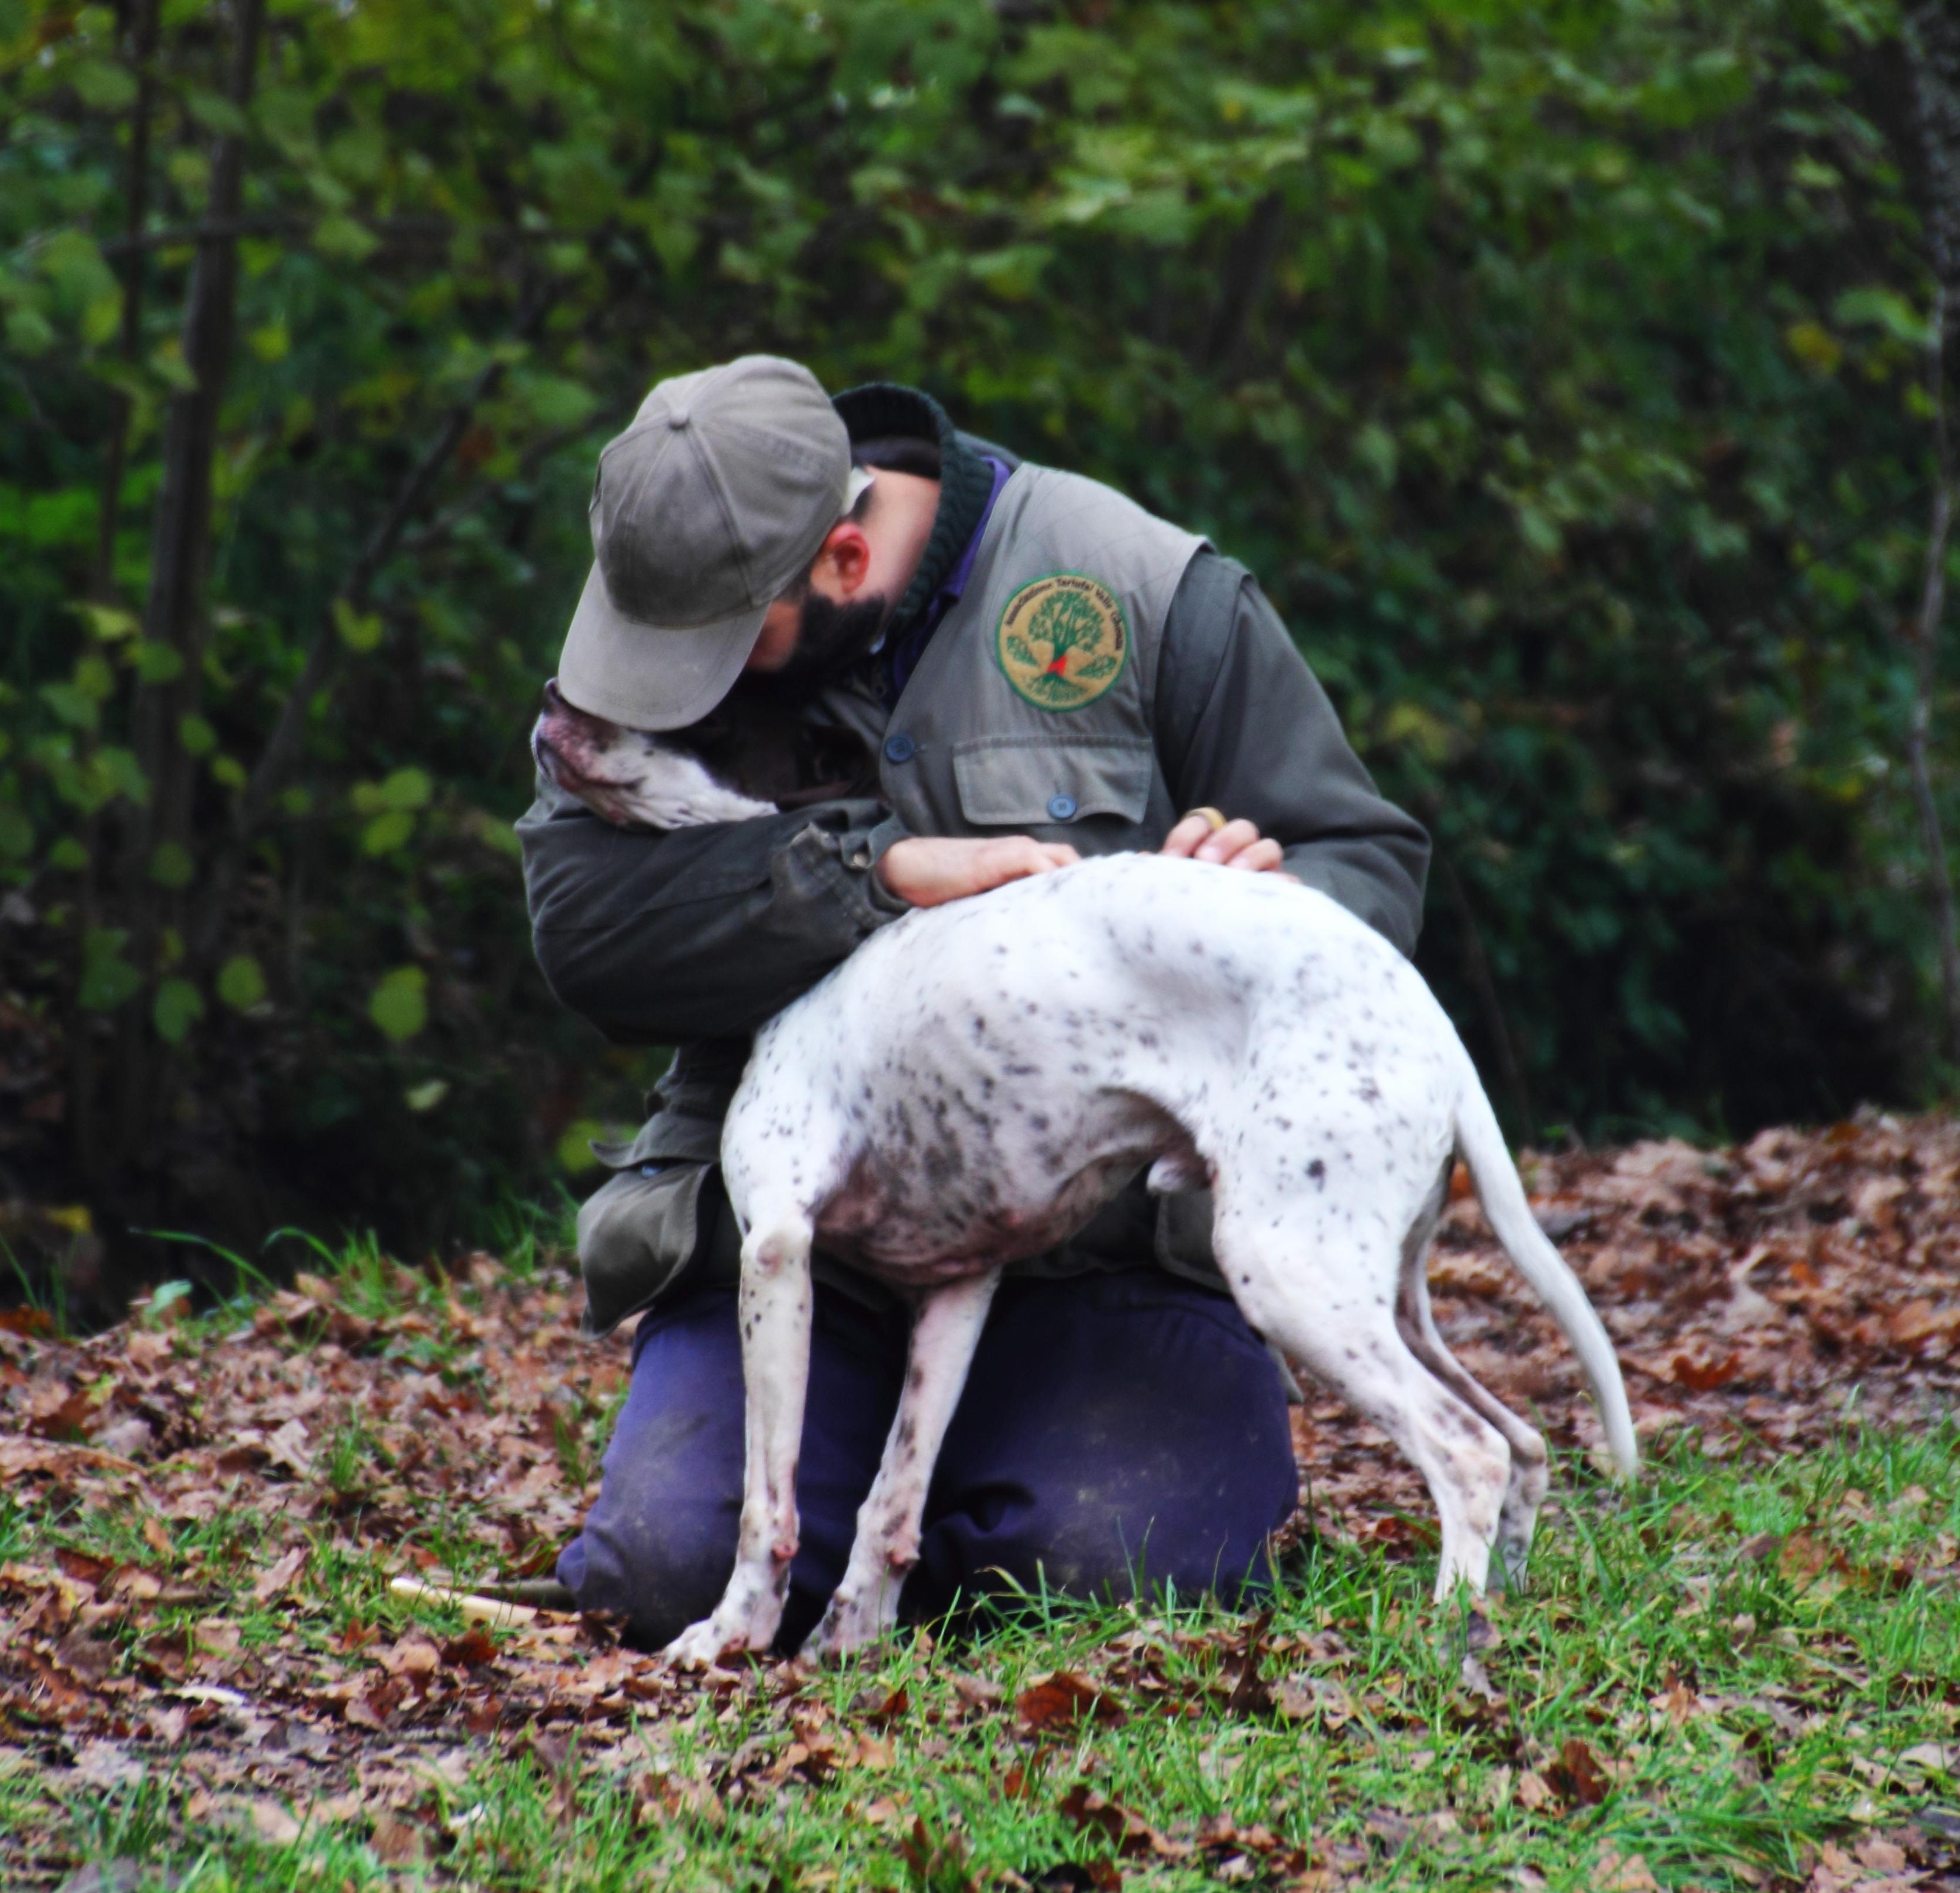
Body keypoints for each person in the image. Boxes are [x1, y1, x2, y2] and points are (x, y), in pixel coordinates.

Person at [520, 354, 1429, 1650]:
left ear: (844, 558)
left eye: (729, 651)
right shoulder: (672, 614)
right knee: (663, 1573)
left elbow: (1367, 858)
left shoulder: (1141, 586)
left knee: (1100, 1574)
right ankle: (888, 1511)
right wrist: (876, 875)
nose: (687, 689)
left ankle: (960, 1508)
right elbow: (587, 928)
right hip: (805, 1256)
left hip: (1102, 1253)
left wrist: (1264, 903)